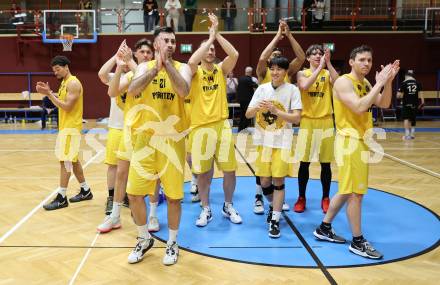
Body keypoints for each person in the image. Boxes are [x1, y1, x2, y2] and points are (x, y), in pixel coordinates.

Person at [313, 45, 399, 259]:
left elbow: (384, 103)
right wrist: (379, 82)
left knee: (345, 190)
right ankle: (357, 241)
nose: (366, 64)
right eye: (362, 59)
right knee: (355, 194)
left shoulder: (366, 83)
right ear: (351, 62)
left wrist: (387, 82)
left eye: (369, 60)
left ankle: (324, 228)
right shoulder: (343, 82)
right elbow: (360, 107)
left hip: (361, 141)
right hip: (349, 141)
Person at [125, 26, 192, 265]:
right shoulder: (143, 67)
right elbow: (132, 90)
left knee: (174, 197)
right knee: (133, 194)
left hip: (172, 141)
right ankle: (144, 239)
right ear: (155, 45)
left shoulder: (184, 68)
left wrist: (168, 66)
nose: (171, 44)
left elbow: (184, 91)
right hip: (145, 139)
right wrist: (155, 69)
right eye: (165, 41)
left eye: (173, 41)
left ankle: (172, 243)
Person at [96, 39, 162, 234]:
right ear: (136, 54)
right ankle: (115, 215)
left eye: (148, 52)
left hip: (151, 132)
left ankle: (152, 215)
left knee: (153, 176)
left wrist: (130, 62)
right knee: (121, 173)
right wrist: (118, 65)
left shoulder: (157, 74)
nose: (145, 55)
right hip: (130, 131)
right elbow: (112, 91)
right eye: (141, 52)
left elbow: (145, 85)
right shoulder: (132, 73)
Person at [187, 13, 242, 227]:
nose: (211, 51)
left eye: (212, 49)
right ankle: (206, 208)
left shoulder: (220, 70)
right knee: (202, 173)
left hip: (222, 125)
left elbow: (234, 53)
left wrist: (216, 34)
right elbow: (192, 60)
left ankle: (228, 206)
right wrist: (208, 39)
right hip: (200, 128)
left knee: (229, 169)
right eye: (207, 48)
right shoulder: (193, 71)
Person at [245, 56, 302, 238]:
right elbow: (247, 113)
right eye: (273, 69)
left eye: (279, 69)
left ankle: (275, 219)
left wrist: (277, 111)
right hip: (263, 142)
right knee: (264, 183)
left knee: (278, 181)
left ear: (286, 72)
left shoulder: (292, 90)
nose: (275, 72)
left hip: (282, 143)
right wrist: (258, 108)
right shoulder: (262, 89)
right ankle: (273, 206)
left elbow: (297, 118)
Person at [254, 19, 305, 214]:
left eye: (278, 58)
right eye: (272, 58)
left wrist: (289, 35)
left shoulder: (287, 74)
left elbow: (300, 57)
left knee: (276, 175)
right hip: (263, 127)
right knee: (262, 172)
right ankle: (258, 197)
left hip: (282, 130)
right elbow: (262, 57)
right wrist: (277, 36)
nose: (275, 58)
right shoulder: (262, 72)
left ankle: (272, 202)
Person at [36, 56, 93, 210]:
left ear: (66, 66)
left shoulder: (73, 83)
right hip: (66, 127)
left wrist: (49, 94)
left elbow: (67, 107)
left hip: (71, 129)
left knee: (65, 162)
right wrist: (48, 93)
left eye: (58, 69)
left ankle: (62, 197)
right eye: (53, 70)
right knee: (72, 161)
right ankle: (85, 190)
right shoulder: (64, 83)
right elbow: (61, 103)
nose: (55, 72)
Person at [293, 45, 338, 214]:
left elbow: (339, 83)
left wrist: (329, 64)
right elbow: (304, 86)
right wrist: (320, 68)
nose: (318, 56)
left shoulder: (327, 74)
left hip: (326, 121)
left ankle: (326, 197)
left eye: (321, 54)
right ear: (307, 58)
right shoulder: (302, 74)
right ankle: (301, 197)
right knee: (304, 163)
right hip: (307, 121)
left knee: (325, 164)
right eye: (314, 54)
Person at [397, 70, 423, 140]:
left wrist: (400, 95)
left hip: (406, 103)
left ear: (406, 76)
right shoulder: (418, 83)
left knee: (406, 118)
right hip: (415, 103)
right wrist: (423, 102)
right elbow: (421, 94)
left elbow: (398, 95)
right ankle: (412, 134)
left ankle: (407, 135)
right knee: (413, 118)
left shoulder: (404, 83)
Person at [237, 66, 258, 132]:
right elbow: (255, 86)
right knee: (247, 115)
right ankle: (244, 129)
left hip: (241, 100)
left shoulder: (240, 78)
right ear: (250, 72)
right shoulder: (249, 79)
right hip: (247, 100)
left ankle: (240, 129)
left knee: (242, 114)